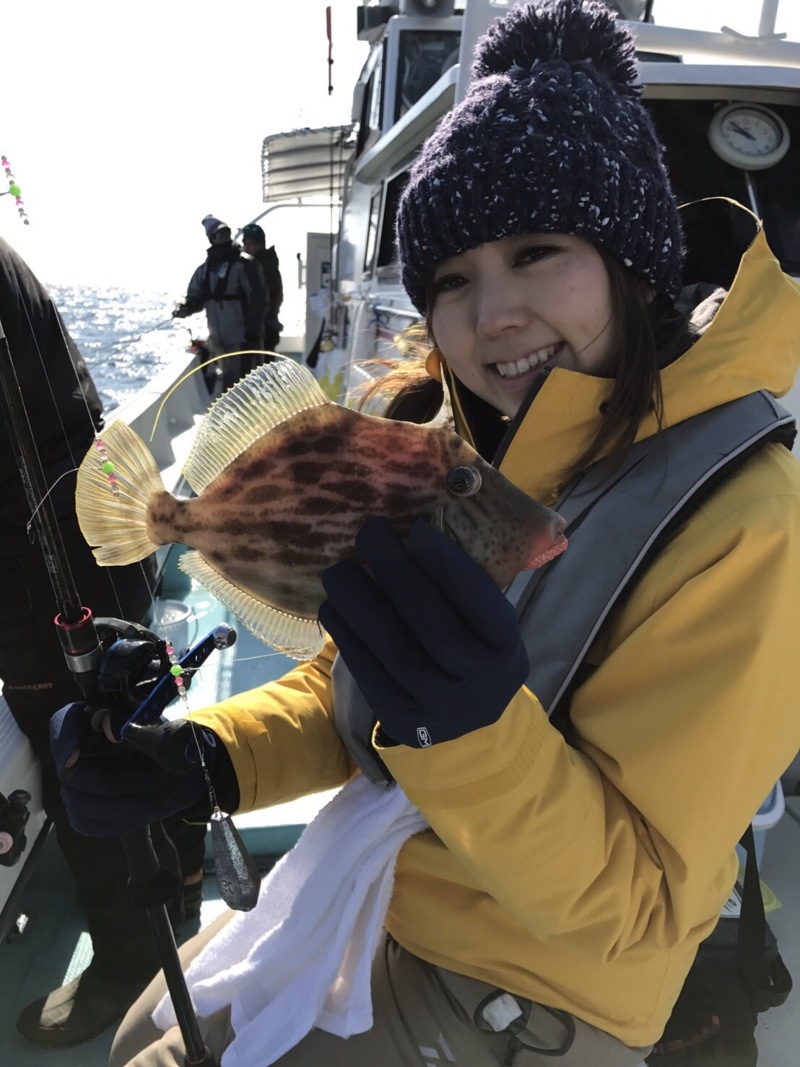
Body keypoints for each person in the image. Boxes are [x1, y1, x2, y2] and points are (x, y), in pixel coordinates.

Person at [52, 2, 800, 1065]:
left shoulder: (747, 520)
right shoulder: (464, 445)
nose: (489, 311)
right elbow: (355, 682)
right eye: (450, 278)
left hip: (532, 988)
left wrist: (474, 734)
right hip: (383, 886)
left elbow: (636, 909)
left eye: (537, 251)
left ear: (630, 258)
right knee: (147, 1031)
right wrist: (208, 757)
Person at [0, 234, 207, 1048]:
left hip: (44, 574)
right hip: (96, 534)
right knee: (135, 720)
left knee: (85, 760)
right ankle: (183, 888)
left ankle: (129, 964)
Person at [172, 215, 268, 389]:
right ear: (211, 238)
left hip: (242, 340)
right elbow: (196, 297)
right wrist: (185, 308)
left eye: (226, 232)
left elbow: (259, 300)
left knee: (248, 385)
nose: (223, 237)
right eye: (218, 234)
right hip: (218, 339)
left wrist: (252, 333)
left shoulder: (245, 265)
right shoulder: (205, 270)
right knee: (227, 383)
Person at [241, 222, 284, 352]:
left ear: (260, 244)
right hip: (252, 329)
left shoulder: (265, 266)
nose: (247, 247)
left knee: (263, 367)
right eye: (246, 244)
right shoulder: (249, 265)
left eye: (251, 243)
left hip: (264, 329)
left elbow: (269, 297)